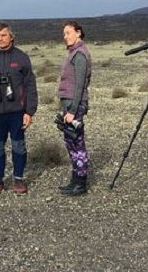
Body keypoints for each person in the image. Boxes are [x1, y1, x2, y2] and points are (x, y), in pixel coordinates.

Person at [0, 22, 38, 196]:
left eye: (4, 35)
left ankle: (18, 179)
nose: (1, 39)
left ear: (11, 37)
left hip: (16, 111)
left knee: (18, 145)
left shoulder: (22, 58)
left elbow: (30, 86)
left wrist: (29, 111)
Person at [57, 20, 92, 196]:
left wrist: (72, 111)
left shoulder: (80, 54)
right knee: (71, 143)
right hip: (70, 104)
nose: (65, 37)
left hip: (74, 105)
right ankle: (75, 180)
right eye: (64, 34)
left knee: (77, 144)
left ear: (78, 33)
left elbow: (79, 86)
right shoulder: (73, 53)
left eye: (68, 33)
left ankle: (80, 183)